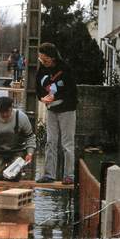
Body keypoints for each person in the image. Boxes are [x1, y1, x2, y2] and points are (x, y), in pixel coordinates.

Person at [35, 42, 78, 185]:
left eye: (45, 60)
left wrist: (56, 96)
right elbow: (38, 88)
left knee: (67, 144)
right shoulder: (42, 70)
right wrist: (42, 98)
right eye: (41, 59)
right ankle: (49, 174)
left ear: (52, 57)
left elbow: (71, 91)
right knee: (50, 141)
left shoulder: (65, 69)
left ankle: (69, 175)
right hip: (51, 109)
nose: (43, 62)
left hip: (66, 109)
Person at [0, 96, 36, 180]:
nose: (5, 114)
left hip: (17, 152)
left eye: (7, 111)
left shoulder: (22, 118)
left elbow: (30, 137)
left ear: (11, 108)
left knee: (14, 176)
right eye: (1, 112)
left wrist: (30, 153)